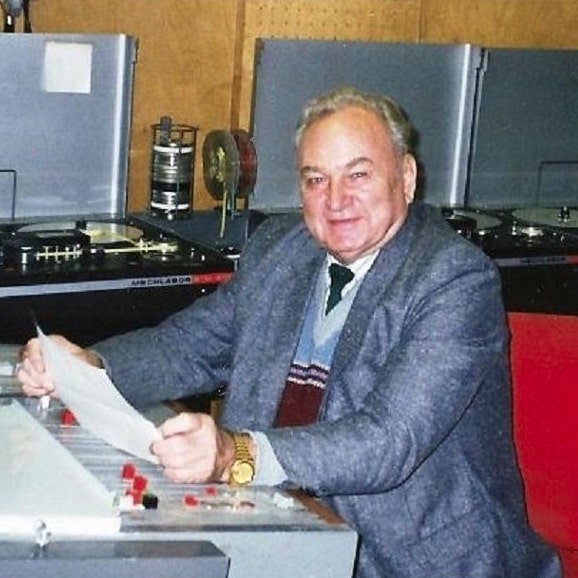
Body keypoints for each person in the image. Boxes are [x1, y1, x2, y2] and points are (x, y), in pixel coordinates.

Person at [17, 86, 560, 578]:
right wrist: (90, 367)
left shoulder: (452, 278)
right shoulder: (282, 249)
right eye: (315, 179)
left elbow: (387, 441)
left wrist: (234, 454)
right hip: (279, 524)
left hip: (408, 557)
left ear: (407, 177)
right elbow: (188, 347)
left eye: (358, 174)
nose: (336, 199)